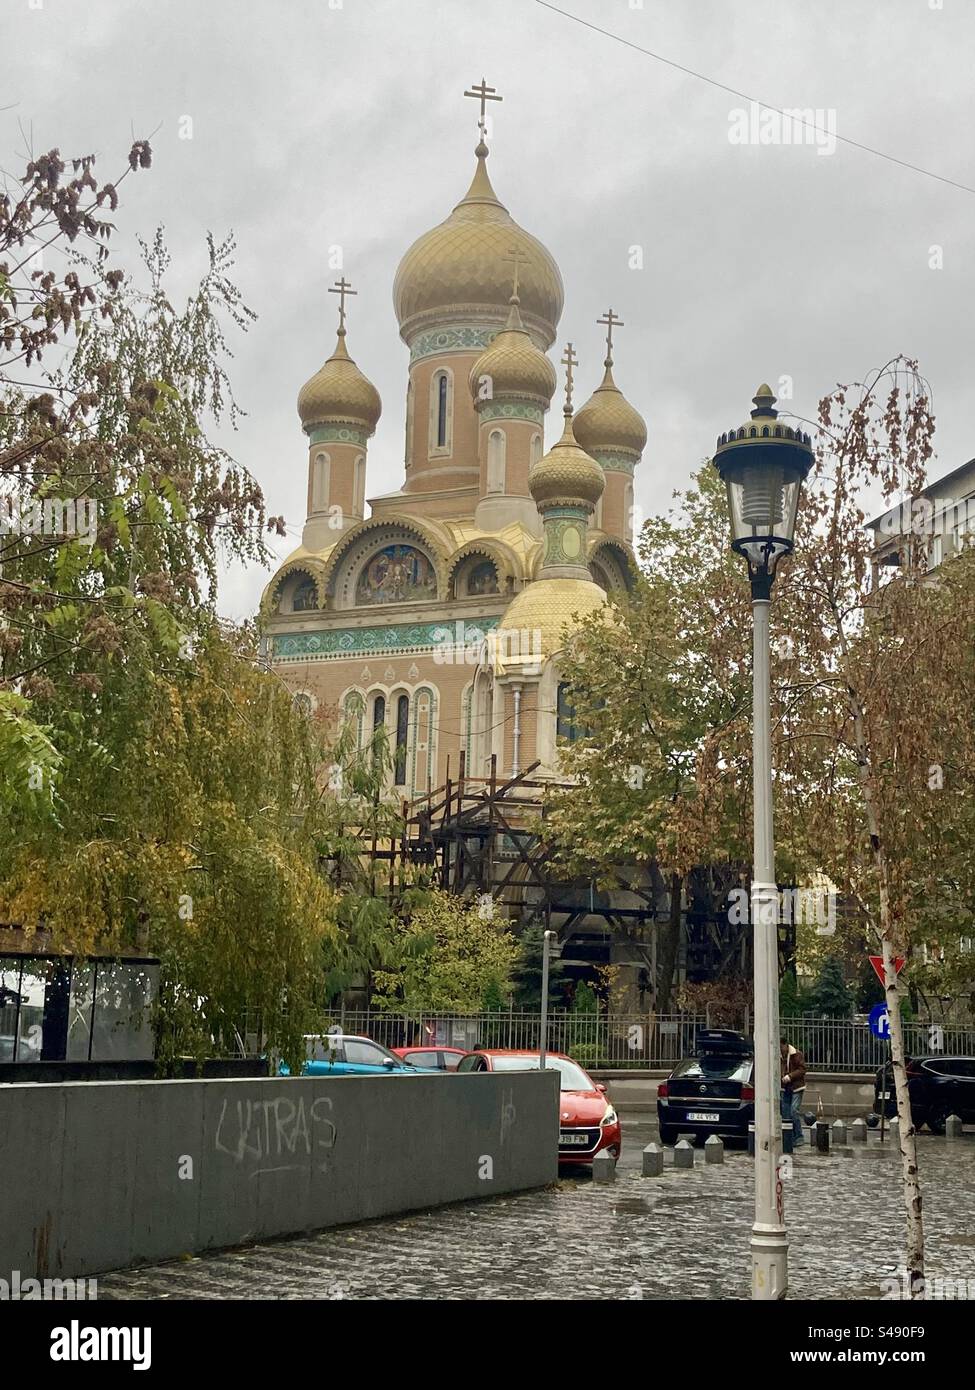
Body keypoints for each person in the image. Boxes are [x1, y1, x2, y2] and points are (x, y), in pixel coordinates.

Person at [780, 1036, 807, 1146]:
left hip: (796, 1087)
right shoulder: (779, 1056)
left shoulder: (796, 1054)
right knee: (786, 1114)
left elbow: (802, 1069)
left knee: (793, 1111)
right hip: (785, 1087)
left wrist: (790, 1076)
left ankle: (799, 1136)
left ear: (786, 1045)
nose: (780, 1049)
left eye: (781, 1046)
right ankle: (789, 1137)